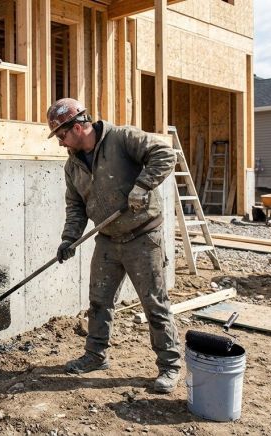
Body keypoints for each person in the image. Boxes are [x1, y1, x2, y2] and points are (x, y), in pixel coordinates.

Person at [47, 98, 181, 393]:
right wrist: (69, 239)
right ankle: (96, 355)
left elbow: (165, 154)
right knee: (99, 302)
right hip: (108, 239)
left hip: (143, 237)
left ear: (80, 125)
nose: (60, 143)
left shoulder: (121, 138)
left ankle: (169, 366)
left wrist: (143, 186)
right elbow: (76, 207)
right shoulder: (72, 166)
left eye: (62, 135)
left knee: (155, 306)